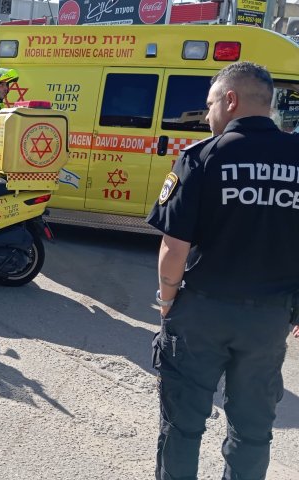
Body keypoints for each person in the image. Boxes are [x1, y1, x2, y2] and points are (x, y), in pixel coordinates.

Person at [147, 61, 299, 480]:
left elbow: (173, 247)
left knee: (182, 426)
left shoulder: (202, 158)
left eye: (210, 103)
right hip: (268, 320)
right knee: (252, 431)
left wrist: (166, 301)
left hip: (200, 315)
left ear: (230, 101)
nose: (208, 113)